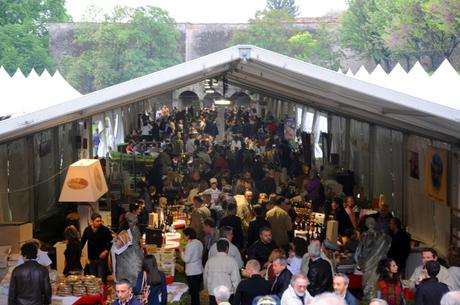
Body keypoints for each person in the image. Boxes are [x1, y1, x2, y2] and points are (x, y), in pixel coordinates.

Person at [355, 217, 391, 299]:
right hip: (377, 264)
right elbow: (388, 246)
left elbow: (357, 254)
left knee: (368, 285)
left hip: (367, 264)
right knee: (375, 284)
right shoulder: (383, 236)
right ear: (375, 224)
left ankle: (369, 299)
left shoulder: (364, 235)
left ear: (366, 225)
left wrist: (360, 263)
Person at [204, 239, 241, 305]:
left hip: (213, 293)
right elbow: (236, 280)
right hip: (227, 293)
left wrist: (207, 289)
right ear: (227, 248)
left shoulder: (209, 261)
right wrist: (237, 293)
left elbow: (205, 277)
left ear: (217, 248)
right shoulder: (232, 261)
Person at [115, 203, 143, 286]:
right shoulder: (126, 225)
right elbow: (118, 241)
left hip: (133, 255)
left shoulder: (133, 225)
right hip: (128, 256)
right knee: (129, 280)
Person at [81, 212, 113, 284]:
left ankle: (103, 294)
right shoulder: (87, 230)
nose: (99, 222)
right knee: (93, 279)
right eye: (97, 221)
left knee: (101, 279)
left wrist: (106, 251)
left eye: (100, 221)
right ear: (92, 221)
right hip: (92, 258)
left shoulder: (105, 230)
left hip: (102, 258)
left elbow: (111, 242)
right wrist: (79, 251)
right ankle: (95, 295)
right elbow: (82, 241)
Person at [180, 227, 203, 305]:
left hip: (192, 272)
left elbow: (186, 259)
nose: (183, 236)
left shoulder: (190, 245)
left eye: (184, 235)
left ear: (188, 236)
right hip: (199, 270)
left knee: (194, 294)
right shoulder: (199, 242)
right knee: (195, 293)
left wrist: (181, 251)